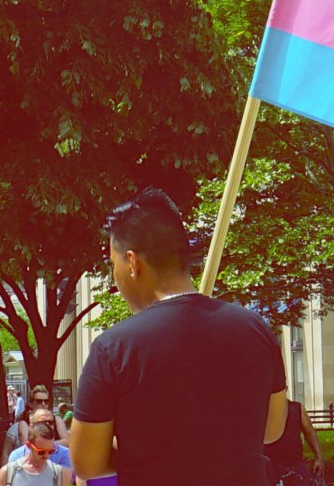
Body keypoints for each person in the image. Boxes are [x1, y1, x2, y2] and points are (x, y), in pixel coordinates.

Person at [69, 188, 287, 485]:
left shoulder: (113, 348)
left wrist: (134, 450)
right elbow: (272, 430)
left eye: (113, 264)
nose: (115, 275)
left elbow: (86, 464)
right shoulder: (257, 329)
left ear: (132, 263)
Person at [264, 400, 323, 485]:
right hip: (269, 465)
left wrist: (319, 457)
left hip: (295, 464)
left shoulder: (297, 408)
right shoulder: (260, 409)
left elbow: (310, 433)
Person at [0, 422, 70, 486]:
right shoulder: (7, 473)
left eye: (51, 451)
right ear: (29, 446)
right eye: (41, 452)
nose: (47, 456)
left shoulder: (60, 474)